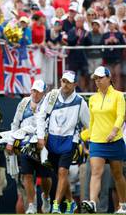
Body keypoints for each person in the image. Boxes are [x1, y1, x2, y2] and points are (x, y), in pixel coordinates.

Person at [37, 71, 89, 214]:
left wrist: (82, 139)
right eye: (63, 81)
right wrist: (41, 137)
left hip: (70, 141)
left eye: (68, 82)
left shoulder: (80, 102)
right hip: (52, 141)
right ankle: (71, 203)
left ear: (75, 84)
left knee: (62, 172)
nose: (64, 85)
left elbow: (89, 125)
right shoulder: (52, 96)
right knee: (60, 175)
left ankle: (55, 206)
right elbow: (41, 117)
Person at [82, 66, 126, 214]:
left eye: (100, 78)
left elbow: (121, 116)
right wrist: (88, 136)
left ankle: (123, 204)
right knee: (96, 172)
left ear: (108, 78)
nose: (97, 81)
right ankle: (93, 202)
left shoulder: (119, 96)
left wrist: (114, 130)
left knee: (118, 175)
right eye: (96, 78)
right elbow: (92, 121)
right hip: (97, 141)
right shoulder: (92, 99)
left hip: (115, 141)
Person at [6, 80, 52, 214]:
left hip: (42, 146)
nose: (35, 94)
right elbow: (15, 123)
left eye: (38, 91)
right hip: (25, 144)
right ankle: (31, 204)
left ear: (44, 93)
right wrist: (11, 141)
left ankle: (46, 197)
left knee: (45, 178)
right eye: (33, 90)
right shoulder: (24, 102)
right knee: (27, 175)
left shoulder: (48, 104)